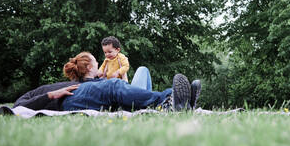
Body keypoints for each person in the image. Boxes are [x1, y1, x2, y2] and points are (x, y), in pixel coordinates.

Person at [14, 52, 201, 111]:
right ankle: (169, 99)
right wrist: (50, 95)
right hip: (69, 98)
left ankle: (177, 102)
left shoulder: (93, 79)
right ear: (89, 67)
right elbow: (18, 106)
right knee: (114, 87)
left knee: (141, 71)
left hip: (83, 93)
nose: (100, 66)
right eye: (97, 63)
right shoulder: (60, 87)